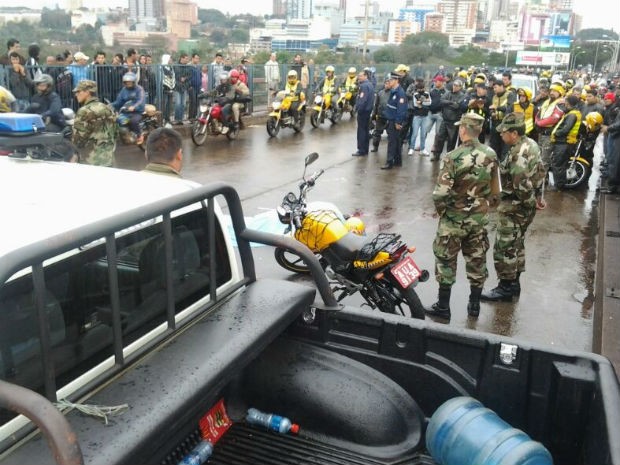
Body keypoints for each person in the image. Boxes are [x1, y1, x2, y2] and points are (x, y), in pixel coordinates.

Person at [425, 112, 498, 320]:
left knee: (446, 260)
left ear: (463, 129)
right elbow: (495, 190)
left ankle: (443, 306)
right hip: (478, 220)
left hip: (453, 219)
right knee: (477, 260)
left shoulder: (453, 157)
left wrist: (444, 213)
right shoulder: (491, 154)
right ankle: (474, 306)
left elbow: (440, 194)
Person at [480, 113, 545, 304]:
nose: (501, 135)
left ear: (514, 133)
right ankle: (514, 284)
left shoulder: (519, 154)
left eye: (504, 132)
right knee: (517, 244)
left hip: (515, 206)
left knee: (504, 247)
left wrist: (528, 203)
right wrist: (536, 198)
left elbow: (521, 185)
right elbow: (541, 172)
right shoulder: (530, 144)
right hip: (522, 205)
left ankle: (505, 288)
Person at [72, 80, 117, 167]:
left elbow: (77, 140)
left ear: (87, 92)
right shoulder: (107, 108)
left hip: (90, 160)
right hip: (109, 158)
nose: (76, 94)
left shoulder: (84, 111)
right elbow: (115, 132)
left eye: (78, 91)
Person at [549, 94, 582, 190]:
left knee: (558, 164)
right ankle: (561, 184)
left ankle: (559, 186)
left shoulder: (572, 115)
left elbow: (565, 129)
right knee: (561, 164)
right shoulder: (574, 113)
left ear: (569, 103)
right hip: (566, 143)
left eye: (566, 103)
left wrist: (555, 134)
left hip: (563, 143)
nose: (565, 104)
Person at [431, 79, 466, 161]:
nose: (455, 87)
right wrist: (451, 103)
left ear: (460, 87)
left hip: (454, 121)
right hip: (445, 119)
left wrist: (448, 104)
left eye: (457, 86)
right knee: (440, 138)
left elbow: (457, 106)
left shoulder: (462, 95)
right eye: (454, 85)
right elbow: (441, 101)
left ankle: (449, 157)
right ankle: (437, 155)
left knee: (451, 140)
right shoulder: (448, 93)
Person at [535, 82, 565, 172]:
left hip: (549, 134)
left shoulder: (561, 104)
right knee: (539, 157)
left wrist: (539, 123)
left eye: (555, 91)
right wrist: (536, 121)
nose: (552, 92)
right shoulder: (547, 101)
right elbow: (539, 113)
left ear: (560, 93)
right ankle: (539, 178)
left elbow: (554, 119)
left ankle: (542, 181)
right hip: (541, 133)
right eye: (551, 90)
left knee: (545, 159)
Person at [380, 72, 408, 170]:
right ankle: (397, 161)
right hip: (391, 119)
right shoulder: (394, 91)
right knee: (396, 141)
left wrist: (398, 122)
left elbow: (401, 110)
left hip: (395, 121)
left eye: (391, 80)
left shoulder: (400, 93)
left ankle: (389, 162)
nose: (389, 82)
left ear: (396, 80)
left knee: (392, 142)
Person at [111, 72, 146, 145]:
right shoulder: (124, 90)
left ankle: (140, 135)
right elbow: (119, 101)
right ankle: (125, 136)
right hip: (125, 111)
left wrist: (134, 107)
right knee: (118, 120)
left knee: (133, 121)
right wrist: (110, 105)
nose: (128, 83)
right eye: (127, 82)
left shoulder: (139, 89)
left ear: (134, 82)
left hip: (137, 111)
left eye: (130, 82)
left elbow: (141, 100)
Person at [488, 80, 516, 159]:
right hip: (495, 123)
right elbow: (491, 108)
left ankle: (503, 166)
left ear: (501, 86)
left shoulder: (510, 95)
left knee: (505, 147)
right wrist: (492, 113)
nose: (494, 89)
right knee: (494, 146)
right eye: (493, 88)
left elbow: (510, 108)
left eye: (495, 87)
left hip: (505, 124)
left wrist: (497, 108)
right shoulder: (494, 96)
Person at [406, 79, 431, 156]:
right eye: (419, 89)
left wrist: (421, 102)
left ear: (424, 88)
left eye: (422, 88)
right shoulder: (415, 94)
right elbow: (416, 105)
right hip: (417, 116)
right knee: (414, 133)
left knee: (423, 134)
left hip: (425, 116)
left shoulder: (427, 93)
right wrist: (423, 102)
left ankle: (422, 149)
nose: (421, 90)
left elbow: (429, 103)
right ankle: (411, 148)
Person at [352, 70, 374, 156]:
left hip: (363, 111)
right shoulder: (370, 85)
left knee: (361, 131)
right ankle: (365, 149)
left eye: (360, 76)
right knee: (366, 130)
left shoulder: (364, 86)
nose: (359, 77)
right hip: (368, 111)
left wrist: (358, 109)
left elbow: (362, 100)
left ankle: (361, 150)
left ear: (365, 76)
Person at [370, 74, 391, 153]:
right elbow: (376, 104)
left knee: (391, 134)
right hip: (380, 116)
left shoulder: (393, 93)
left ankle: (391, 149)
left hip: (389, 117)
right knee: (377, 133)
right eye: (386, 83)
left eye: (388, 83)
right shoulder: (380, 93)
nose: (387, 85)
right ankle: (375, 147)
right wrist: (374, 115)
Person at [173, 53, 192, 124]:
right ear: (182, 58)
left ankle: (181, 119)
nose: (187, 60)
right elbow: (174, 77)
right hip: (177, 88)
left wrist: (185, 79)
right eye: (186, 58)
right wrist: (178, 82)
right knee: (178, 104)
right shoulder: (176, 66)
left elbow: (189, 76)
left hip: (184, 88)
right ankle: (176, 119)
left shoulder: (188, 67)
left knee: (183, 104)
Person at [160, 54, 176, 126]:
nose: (171, 60)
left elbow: (173, 77)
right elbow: (162, 78)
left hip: (171, 89)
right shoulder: (162, 67)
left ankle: (167, 119)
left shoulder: (171, 68)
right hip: (164, 89)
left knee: (169, 106)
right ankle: (161, 120)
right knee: (163, 105)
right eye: (170, 59)